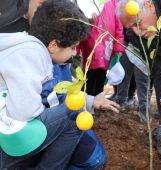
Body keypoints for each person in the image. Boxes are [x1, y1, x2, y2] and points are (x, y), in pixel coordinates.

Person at [0, 0, 119, 169]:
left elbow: (56, 93)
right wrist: (51, 117)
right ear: (54, 45)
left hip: (11, 131)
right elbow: (25, 111)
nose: (74, 53)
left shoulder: (30, 48)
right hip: (12, 136)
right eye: (72, 48)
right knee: (73, 114)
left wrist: (90, 100)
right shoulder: (30, 54)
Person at [77, 0, 125, 96]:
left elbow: (118, 26)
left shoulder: (113, 2)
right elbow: (78, 21)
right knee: (89, 73)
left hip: (107, 44)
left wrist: (119, 47)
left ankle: (97, 101)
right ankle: (86, 103)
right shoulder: (86, 3)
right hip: (90, 44)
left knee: (101, 73)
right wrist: (87, 19)